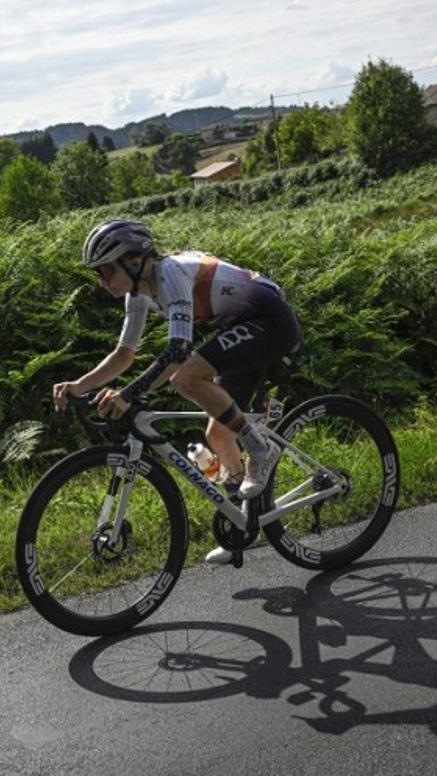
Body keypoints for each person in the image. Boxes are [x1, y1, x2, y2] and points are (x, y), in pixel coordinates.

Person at [52, 218, 301, 564]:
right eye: (98, 273)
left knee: (186, 378)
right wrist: (80, 385)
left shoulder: (170, 274)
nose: (102, 280)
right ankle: (242, 525)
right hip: (240, 326)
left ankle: (261, 448)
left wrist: (127, 394)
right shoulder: (138, 295)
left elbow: (179, 352)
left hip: (269, 319)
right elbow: (125, 355)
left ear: (134, 261)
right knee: (217, 435)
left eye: (106, 270)